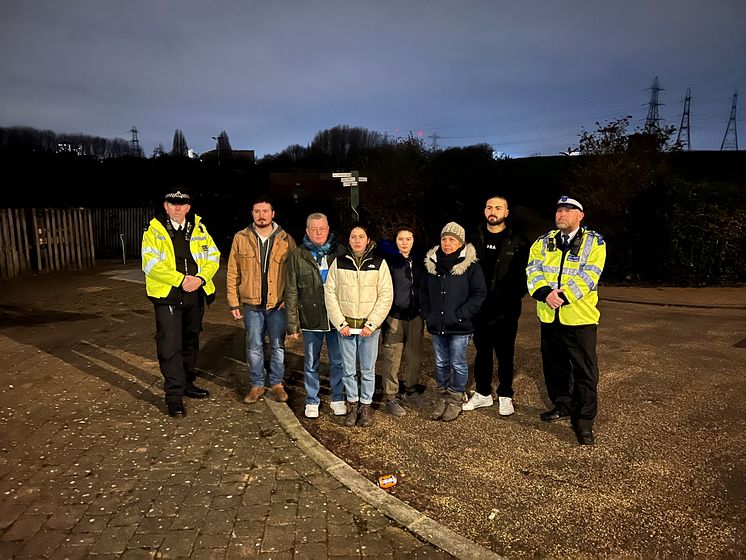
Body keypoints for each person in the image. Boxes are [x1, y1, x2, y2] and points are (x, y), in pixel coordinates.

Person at [526, 195, 606, 445]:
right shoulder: (543, 241)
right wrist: (544, 294)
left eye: (569, 210)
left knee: (584, 370)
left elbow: (591, 274)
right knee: (555, 366)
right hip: (550, 316)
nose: (562, 214)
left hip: (579, 318)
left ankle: (583, 421)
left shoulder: (594, 242)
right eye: (559, 210)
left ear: (580, 216)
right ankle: (562, 404)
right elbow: (532, 269)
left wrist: (563, 296)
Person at [141, 188, 220, 417]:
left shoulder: (200, 228)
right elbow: (151, 264)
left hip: (195, 294)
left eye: (182, 204)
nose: (178, 208)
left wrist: (200, 279)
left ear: (188, 206)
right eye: (173, 203)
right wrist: (181, 280)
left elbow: (213, 257)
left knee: (190, 342)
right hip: (169, 294)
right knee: (170, 345)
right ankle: (173, 396)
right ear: (165, 205)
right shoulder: (153, 230)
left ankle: (187, 383)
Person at [226, 195, 296, 404]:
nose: (261, 215)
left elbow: (294, 274)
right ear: (252, 214)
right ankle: (257, 384)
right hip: (251, 305)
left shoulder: (286, 240)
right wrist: (233, 301)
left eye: (265, 211)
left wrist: (289, 300)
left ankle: (276, 383)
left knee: (277, 345)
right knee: (254, 345)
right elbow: (232, 272)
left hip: (278, 306)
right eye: (257, 211)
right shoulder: (241, 237)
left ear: (273, 214)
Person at [464, 194, 529, 416]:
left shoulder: (519, 241)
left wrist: (511, 299)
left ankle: (505, 395)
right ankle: (482, 394)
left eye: (498, 208)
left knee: (505, 354)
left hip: (506, 310)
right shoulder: (473, 238)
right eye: (489, 207)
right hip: (479, 309)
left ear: (506, 213)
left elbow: (525, 277)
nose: (493, 211)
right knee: (482, 352)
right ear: (484, 211)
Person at [324, 224, 393, 428]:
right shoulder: (339, 262)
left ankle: (365, 406)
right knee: (348, 369)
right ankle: (352, 404)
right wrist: (340, 323)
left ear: (367, 239)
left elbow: (386, 295)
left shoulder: (379, 263)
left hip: (368, 330)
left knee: (368, 370)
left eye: (360, 236)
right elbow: (330, 293)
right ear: (349, 240)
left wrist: (371, 324)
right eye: (353, 236)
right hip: (346, 327)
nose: (357, 240)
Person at [421, 222, 486, 422]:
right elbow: (423, 292)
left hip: (459, 325)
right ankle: (443, 395)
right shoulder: (432, 264)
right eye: (444, 239)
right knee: (441, 362)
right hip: (436, 324)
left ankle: (456, 397)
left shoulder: (471, 266)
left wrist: (461, 314)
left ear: (460, 242)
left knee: (458, 363)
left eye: (452, 239)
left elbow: (479, 293)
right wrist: (428, 314)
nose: (447, 243)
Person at [285, 213, 348, 418]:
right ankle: (312, 399)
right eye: (314, 229)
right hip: (310, 318)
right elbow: (292, 290)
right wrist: (292, 324)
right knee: (310, 362)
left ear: (328, 229)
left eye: (322, 228)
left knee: (338, 361)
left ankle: (338, 397)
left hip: (336, 319)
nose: (318, 232)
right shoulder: (297, 255)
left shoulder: (340, 253)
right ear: (307, 231)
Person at [378, 225, 425, 416]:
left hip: (415, 316)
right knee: (392, 356)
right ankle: (390, 396)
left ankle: (411, 389)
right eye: (401, 239)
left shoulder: (420, 261)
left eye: (408, 239)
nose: (405, 242)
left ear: (414, 241)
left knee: (414, 356)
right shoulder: (389, 260)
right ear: (395, 241)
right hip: (394, 316)